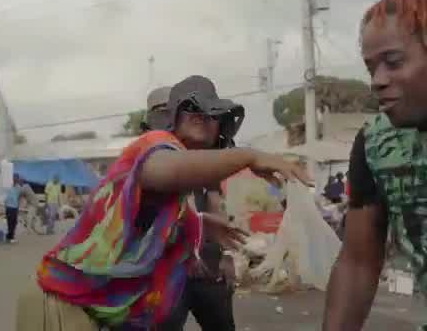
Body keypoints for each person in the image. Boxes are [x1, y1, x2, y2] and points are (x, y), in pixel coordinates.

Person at [16, 75, 311, 330]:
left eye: (211, 112)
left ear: (219, 129)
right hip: (63, 304)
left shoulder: (184, 186)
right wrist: (250, 156)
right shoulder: (155, 144)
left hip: (92, 308)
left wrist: (199, 226)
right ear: (171, 117)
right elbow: (162, 170)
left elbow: (159, 213)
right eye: (190, 108)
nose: (201, 115)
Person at [322, 0, 427, 331]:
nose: (378, 81)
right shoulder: (375, 144)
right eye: (371, 68)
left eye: (393, 62)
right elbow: (358, 262)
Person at [143, 84, 244, 330]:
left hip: (206, 266)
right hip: (162, 269)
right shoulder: (147, 158)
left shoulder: (201, 154)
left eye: (169, 110)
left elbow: (214, 200)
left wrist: (227, 255)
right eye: (159, 112)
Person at [4, 174, 23, 244]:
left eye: (17, 178)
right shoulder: (8, 186)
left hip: (15, 207)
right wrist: (5, 205)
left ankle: (9, 236)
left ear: (18, 179)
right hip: (8, 207)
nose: (15, 179)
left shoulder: (19, 188)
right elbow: (5, 196)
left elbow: (19, 198)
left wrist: (18, 207)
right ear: (12, 179)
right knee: (10, 222)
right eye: (14, 178)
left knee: (14, 222)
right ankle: (11, 237)